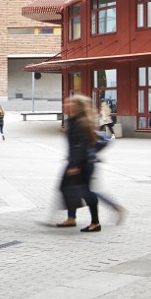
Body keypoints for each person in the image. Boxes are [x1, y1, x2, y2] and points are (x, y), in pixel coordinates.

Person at [54, 94, 101, 232]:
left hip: (82, 163)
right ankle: (71, 218)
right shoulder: (75, 120)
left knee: (85, 192)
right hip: (79, 161)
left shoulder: (80, 122)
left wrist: (75, 165)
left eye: (70, 103)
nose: (66, 105)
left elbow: (80, 146)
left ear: (77, 107)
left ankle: (95, 223)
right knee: (67, 188)